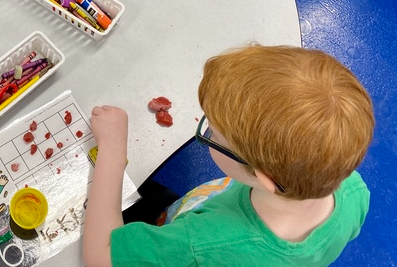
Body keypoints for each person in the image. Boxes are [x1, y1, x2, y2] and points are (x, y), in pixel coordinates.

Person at [82, 45, 374, 266]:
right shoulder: (353, 189)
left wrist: (112, 152)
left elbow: (101, 257)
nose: (208, 130)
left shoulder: (199, 243)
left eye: (212, 132)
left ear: (264, 176)